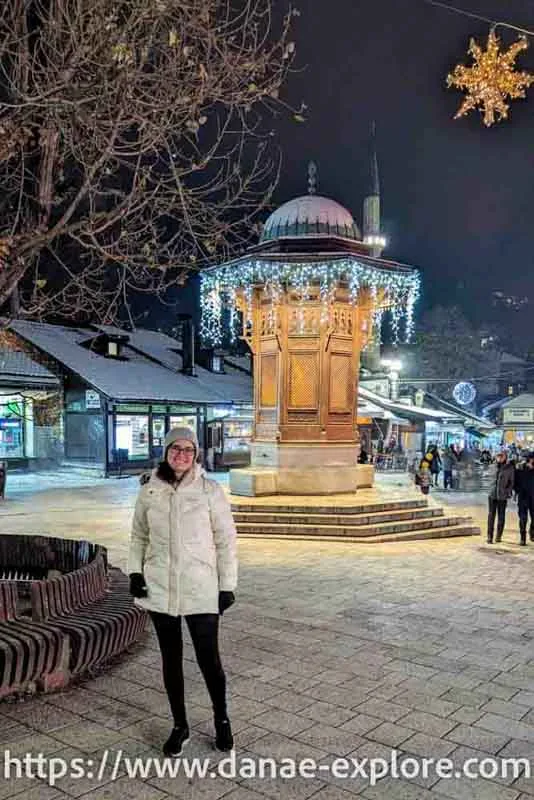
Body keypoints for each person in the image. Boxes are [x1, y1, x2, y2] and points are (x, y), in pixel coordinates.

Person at [128, 427, 238, 757]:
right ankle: (180, 725)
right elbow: (138, 536)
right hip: (160, 587)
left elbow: (226, 541)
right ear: (165, 452)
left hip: (200, 587)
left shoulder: (210, 490)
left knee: (209, 660)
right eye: (175, 448)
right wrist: (135, 571)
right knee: (170, 660)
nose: (182, 454)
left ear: (196, 455)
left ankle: (221, 719)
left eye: (189, 449)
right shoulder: (149, 490)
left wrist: (226, 586)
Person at [487, 451, 515, 544]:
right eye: (498, 456)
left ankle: (498, 536)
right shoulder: (492, 466)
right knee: (491, 516)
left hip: (502, 496)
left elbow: (511, 482)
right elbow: (489, 479)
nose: (499, 458)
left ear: (505, 457)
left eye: (501, 456)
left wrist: (507, 491)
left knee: (501, 516)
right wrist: (490, 488)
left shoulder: (509, 468)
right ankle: (489, 536)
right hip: (492, 494)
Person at [514, 453, 534, 546]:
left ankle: (532, 532)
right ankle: (523, 538)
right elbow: (515, 482)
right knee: (523, 518)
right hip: (523, 498)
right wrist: (518, 490)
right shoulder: (520, 469)